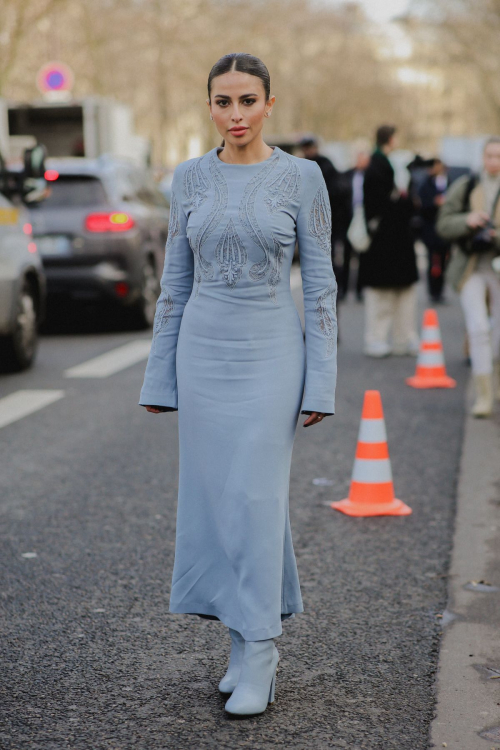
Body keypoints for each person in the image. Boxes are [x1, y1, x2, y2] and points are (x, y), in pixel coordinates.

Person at [138, 53, 337, 716]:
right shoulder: (188, 178)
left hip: (272, 357)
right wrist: (160, 374)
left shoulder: (303, 178)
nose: (236, 115)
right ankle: (239, 640)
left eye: (248, 101)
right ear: (210, 107)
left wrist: (321, 384)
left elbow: (321, 287)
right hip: (202, 355)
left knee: (253, 497)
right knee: (217, 502)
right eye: (223, 102)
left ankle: (262, 649)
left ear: (269, 104)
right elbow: (174, 284)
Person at [437, 136, 500, 417]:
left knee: (496, 331)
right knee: (478, 328)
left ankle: (492, 379)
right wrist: (468, 221)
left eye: (498, 156)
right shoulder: (467, 186)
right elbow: (443, 224)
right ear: (482, 157)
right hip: (471, 266)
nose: (494, 162)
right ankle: (484, 395)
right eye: (489, 156)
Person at [359, 125, 419, 357]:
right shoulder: (382, 166)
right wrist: (407, 203)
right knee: (391, 294)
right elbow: (387, 204)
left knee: (387, 293)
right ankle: (393, 339)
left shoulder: (378, 164)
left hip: (385, 242)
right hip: (390, 241)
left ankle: (382, 338)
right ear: (391, 139)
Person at [299, 134, 341, 277]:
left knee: (328, 255)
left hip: (326, 217)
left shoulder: (325, 165)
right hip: (308, 217)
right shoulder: (301, 164)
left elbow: (334, 191)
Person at [338, 141, 371, 299]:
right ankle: (344, 289)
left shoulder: (370, 176)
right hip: (348, 218)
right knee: (346, 256)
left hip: (363, 219)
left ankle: (359, 289)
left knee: (363, 257)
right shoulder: (346, 175)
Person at [417, 159, 451, 303]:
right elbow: (422, 205)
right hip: (431, 230)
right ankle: (433, 291)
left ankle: (440, 290)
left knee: (444, 261)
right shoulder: (426, 184)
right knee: (432, 261)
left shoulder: (450, 182)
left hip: (446, 230)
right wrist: (434, 203)